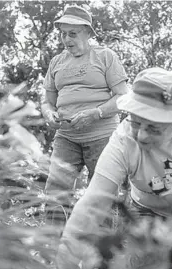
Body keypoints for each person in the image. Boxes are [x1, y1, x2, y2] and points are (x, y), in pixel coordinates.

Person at [56, 67, 172, 269]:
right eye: (136, 123)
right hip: (146, 209)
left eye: (153, 128)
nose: (141, 136)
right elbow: (93, 204)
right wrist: (65, 260)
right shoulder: (123, 139)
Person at [41, 5, 128, 224]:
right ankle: (53, 248)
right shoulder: (56, 62)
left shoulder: (105, 56)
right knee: (56, 191)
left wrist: (96, 113)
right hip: (66, 137)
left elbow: (123, 97)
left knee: (101, 195)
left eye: (73, 33)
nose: (66, 39)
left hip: (102, 136)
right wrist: (49, 113)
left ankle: (100, 254)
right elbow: (47, 100)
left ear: (88, 33)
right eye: (63, 34)